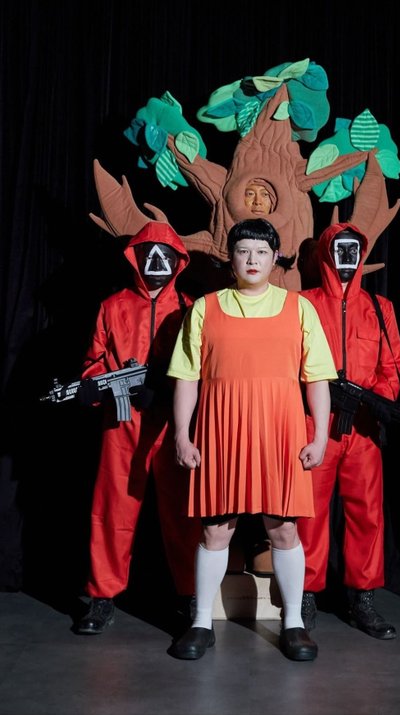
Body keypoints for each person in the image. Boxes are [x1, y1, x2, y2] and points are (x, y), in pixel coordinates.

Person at [166, 217, 337, 661]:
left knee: (284, 529)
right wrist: (182, 435)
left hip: (280, 433)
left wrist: (319, 436)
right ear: (232, 257)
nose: (252, 259)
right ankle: (201, 623)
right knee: (215, 530)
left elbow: (317, 377)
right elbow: (186, 377)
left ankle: (293, 623)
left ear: (275, 258)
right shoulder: (205, 308)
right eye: (244, 251)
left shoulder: (299, 308)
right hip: (220, 432)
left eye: (261, 251)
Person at [75, 221, 202, 635]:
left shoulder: (190, 308)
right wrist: (94, 386)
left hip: (173, 424)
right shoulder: (112, 306)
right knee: (112, 511)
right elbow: (94, 361)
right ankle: (102, 597)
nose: (157, 262)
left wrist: (164, 391)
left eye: (165, 255)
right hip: (121, 424)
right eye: (149, 254)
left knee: (183, 514)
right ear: (136, 258)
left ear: (178, 261)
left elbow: (203, 368)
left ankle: (191, 597)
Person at [297, 222, 400, 640]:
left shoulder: (380, 307)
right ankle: (305, 595)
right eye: (338, 248)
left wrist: (373, 399)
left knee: (367, 514)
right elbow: (288, 360)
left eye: (353, 249)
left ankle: (363, 597)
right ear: (326, 253)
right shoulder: (304, 303)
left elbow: (392, 366)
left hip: (362, 427)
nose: (346, 256)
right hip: (315, 425)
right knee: (309, 514)